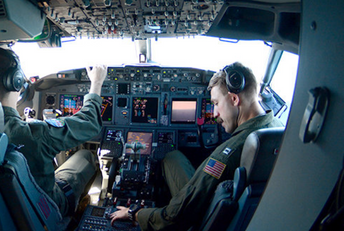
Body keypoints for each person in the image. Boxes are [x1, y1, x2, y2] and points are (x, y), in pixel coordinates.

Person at [111, 62, 283, 230]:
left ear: (234, 99)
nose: (215, 115)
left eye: (216, 103)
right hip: (242, 215)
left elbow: (175, 216)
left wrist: (135, 213)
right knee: (172, 157)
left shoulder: (224, 156)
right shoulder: (276, 130)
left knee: (169, 160)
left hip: (199, 219)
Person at [0, 46, 108, 217]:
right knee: (85, 156)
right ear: (16, 80)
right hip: (48, 207)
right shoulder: (34, 133)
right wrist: (96, 83)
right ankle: (77, 215)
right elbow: (90, 123)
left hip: (4, 212)